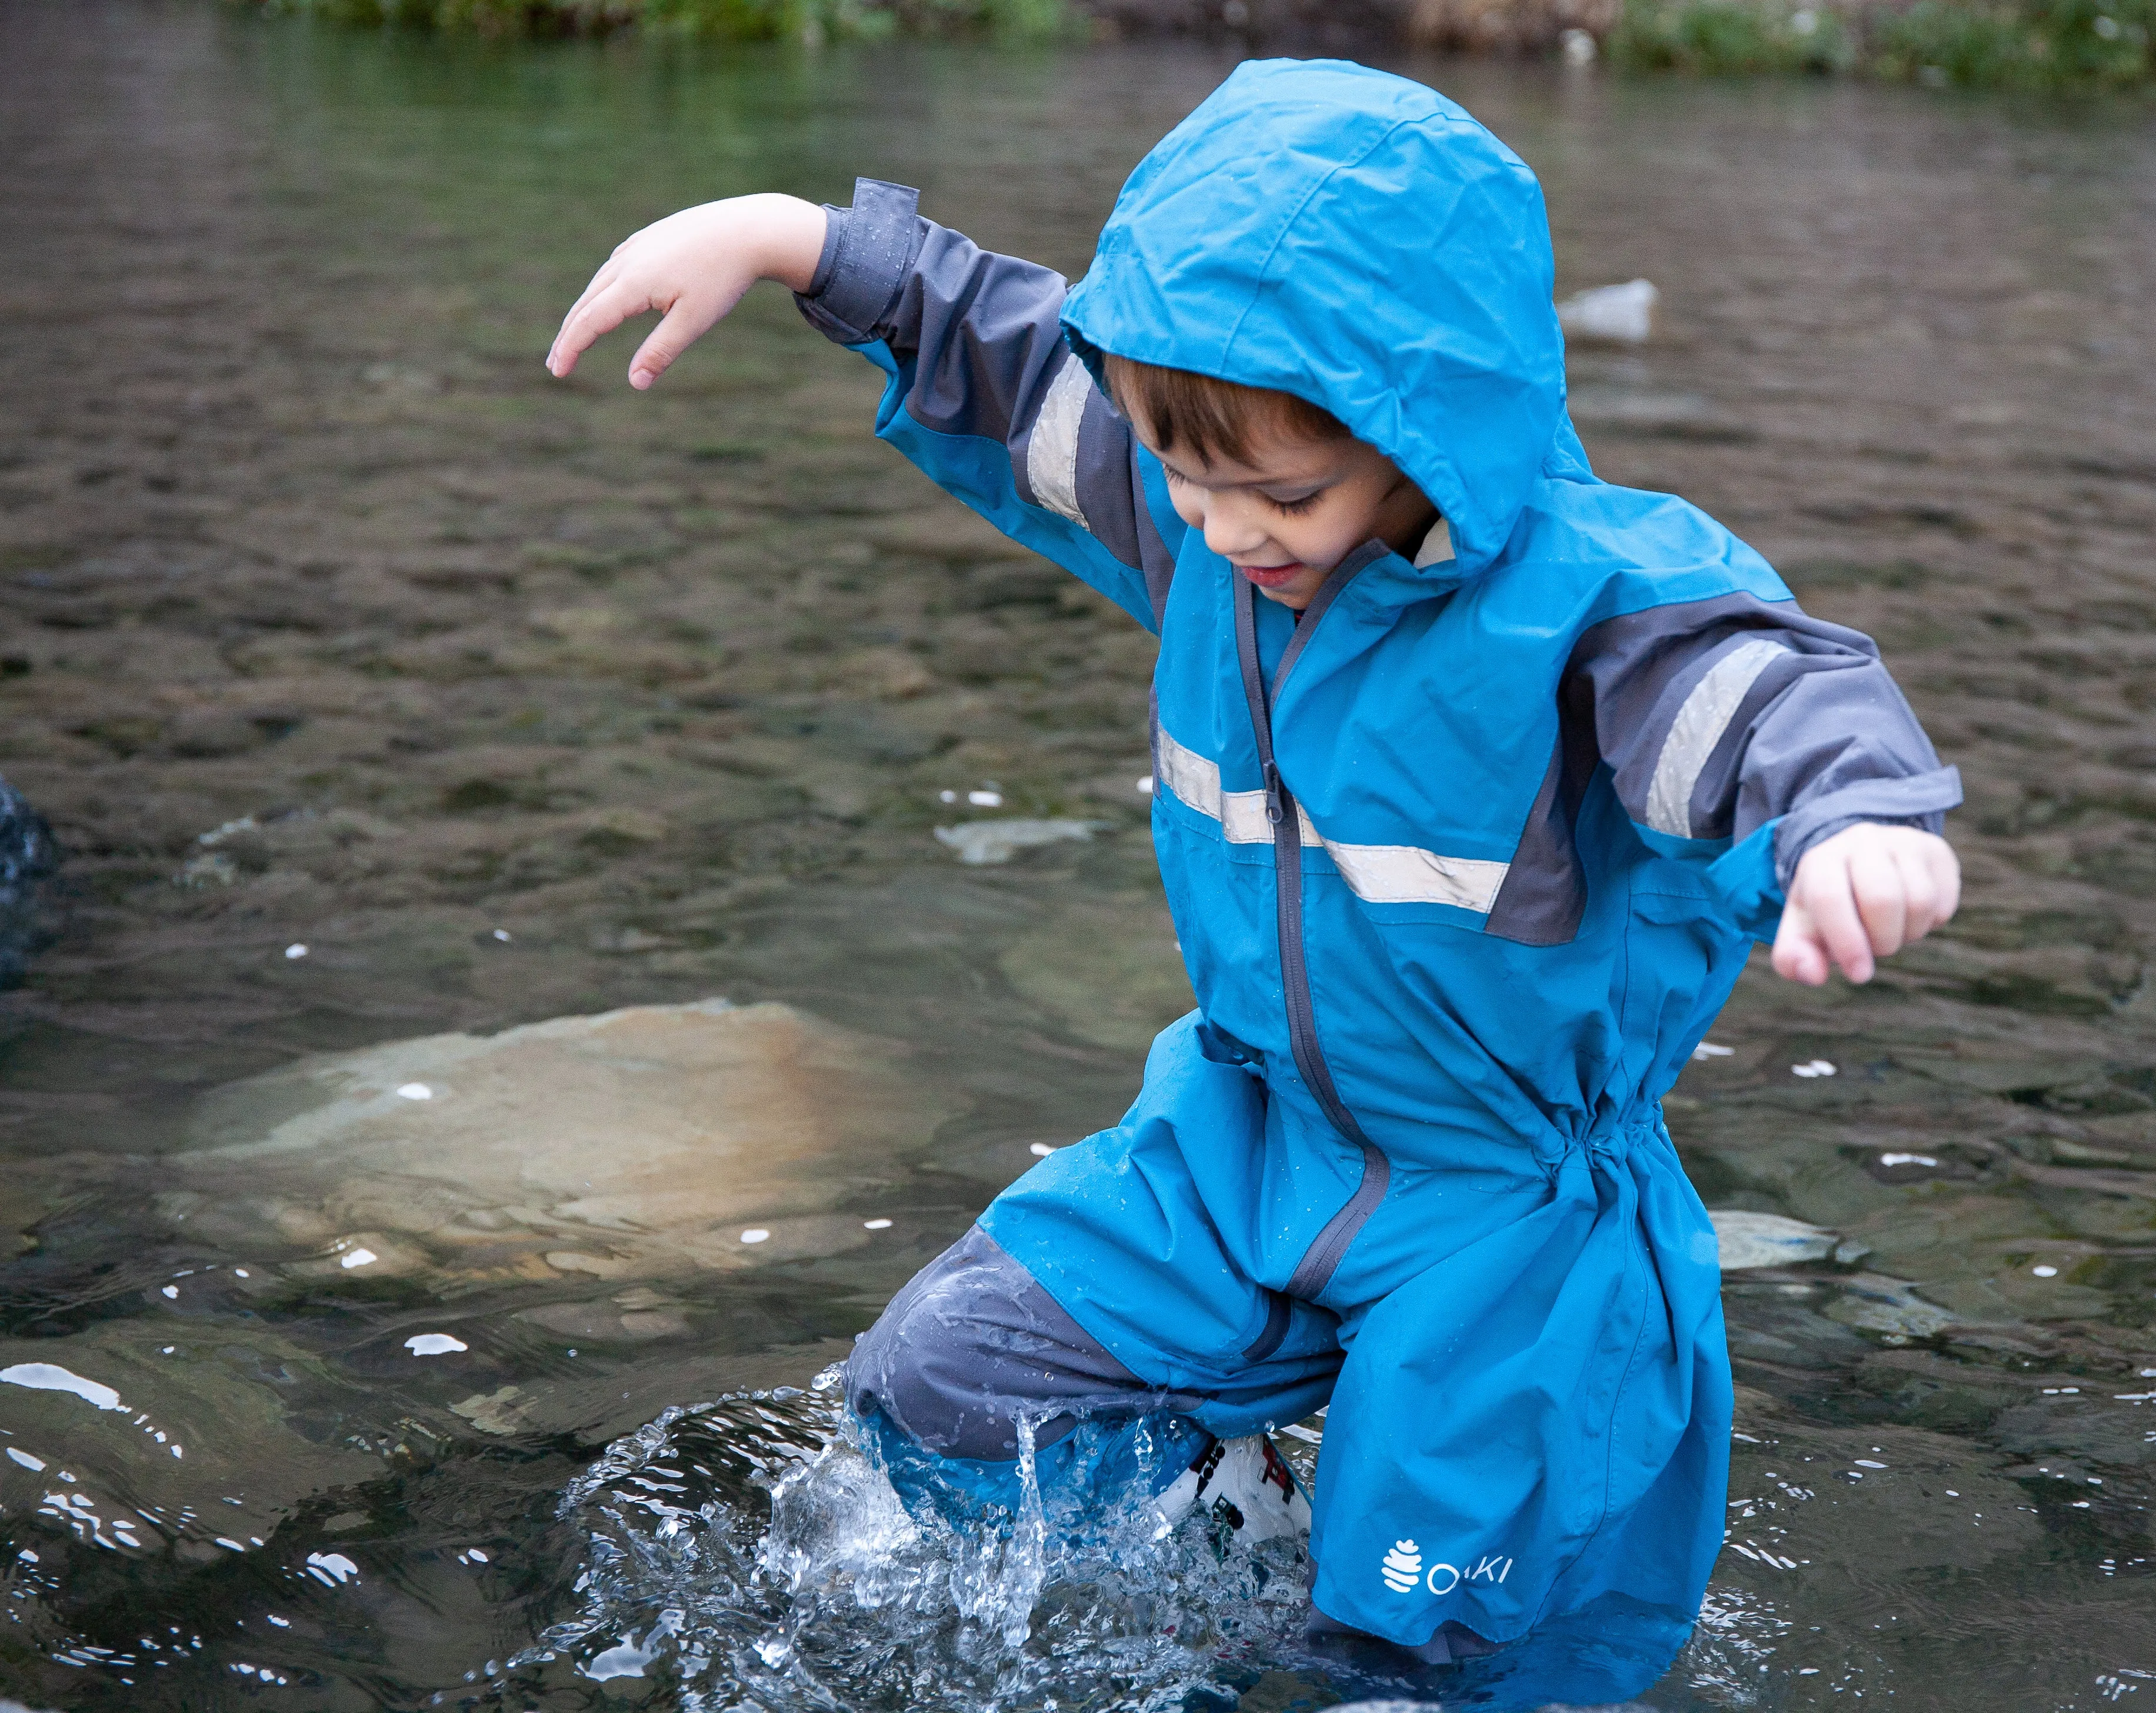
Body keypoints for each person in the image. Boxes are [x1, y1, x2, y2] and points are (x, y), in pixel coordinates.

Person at [548, 57, 1961, 1695]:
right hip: (1249, 1131)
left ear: (1429, 439)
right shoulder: (1202, 508)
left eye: (1280, 491)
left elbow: (1774, 692)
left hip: (1509, 1217)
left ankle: (1358, 1612)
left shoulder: (1592, 619)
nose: (1219, 530)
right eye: (1185, 471)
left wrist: (1858, 820)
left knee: (1425, 1645)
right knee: (954, 1381)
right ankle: (1234, 1551)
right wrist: (797, 239)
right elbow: (1013, 363)